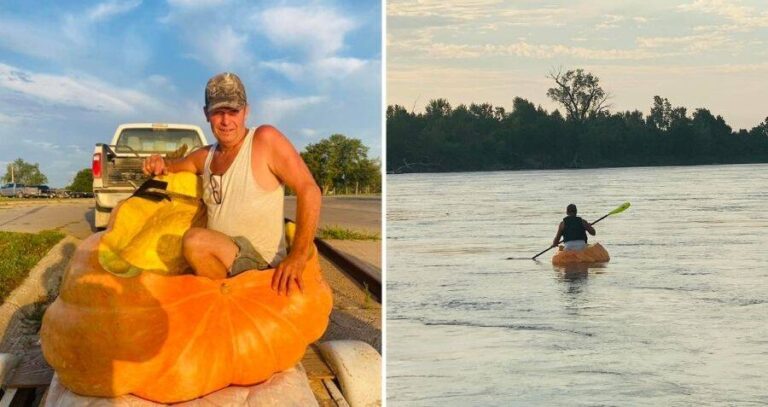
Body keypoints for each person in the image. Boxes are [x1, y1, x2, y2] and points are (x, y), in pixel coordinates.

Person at [142, 72, 321, 295]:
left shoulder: (264, 140)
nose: (226, 121)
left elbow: (309, 189)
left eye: (233, 111)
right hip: (223, 261)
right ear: (206, 114)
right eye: (218, 112)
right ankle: (222, 306)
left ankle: (230, 305)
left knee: (195, 241)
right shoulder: (205, 156)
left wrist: (298, 256)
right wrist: (157, 162)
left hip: (260, 265)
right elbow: (171, 167)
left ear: (246, 111)